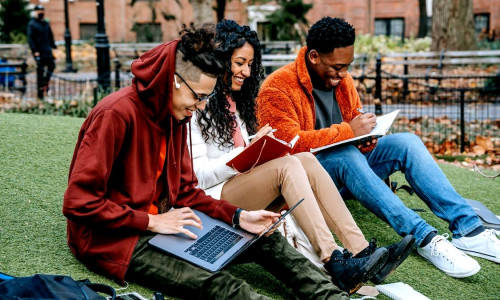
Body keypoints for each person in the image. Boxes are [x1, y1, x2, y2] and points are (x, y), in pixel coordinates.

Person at [62, 24, 350, 300]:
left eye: (205, 98)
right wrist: (151, 221)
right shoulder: (115, 115)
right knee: (221, 286)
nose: (199, 107)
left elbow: (187, 191)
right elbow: (78, 202)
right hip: (116, 240)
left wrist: (239, 216)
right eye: (198, 97)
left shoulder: (176, 114)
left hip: (170, 224)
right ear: (173, 80)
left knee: (265, 238)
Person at [256, 17, 500, 278]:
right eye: (337, 67)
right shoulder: (277, 87)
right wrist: (349, 132)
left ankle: (469, 230)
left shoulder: (343, 79)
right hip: (309, 180)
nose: (342, 75)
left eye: (347, 67)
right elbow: (285, 148)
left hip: (349, 166)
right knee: (344, 154)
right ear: (314, 56)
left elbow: (354, 119)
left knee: (407, 142)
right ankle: (425, 238)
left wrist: (365, 138)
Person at [190, 20, 414, 294]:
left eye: (250, 64)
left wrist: (256, 147)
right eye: (239, 63)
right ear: (220, 59)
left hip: (241, 184)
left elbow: (241, 154)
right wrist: (247, 152)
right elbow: (198, 176)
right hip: (213, 199)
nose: (246, 72)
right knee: (287, 165)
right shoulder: (195, 103)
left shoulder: (238, 101)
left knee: (304, 160)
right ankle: (334, 260)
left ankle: (359, 252)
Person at [27, 4, 56, 101]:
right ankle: (40, 94)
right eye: (39, 10)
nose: (41, 12)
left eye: (42, 10)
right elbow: (31, 39)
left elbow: (50, 36)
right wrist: (35, 51)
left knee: (51, 66)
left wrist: (54, 46)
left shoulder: (45, 23)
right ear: (36, 11)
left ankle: (44, 83)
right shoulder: (32, 24)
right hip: (39, 52)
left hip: (47, 50)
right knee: (40, 71)